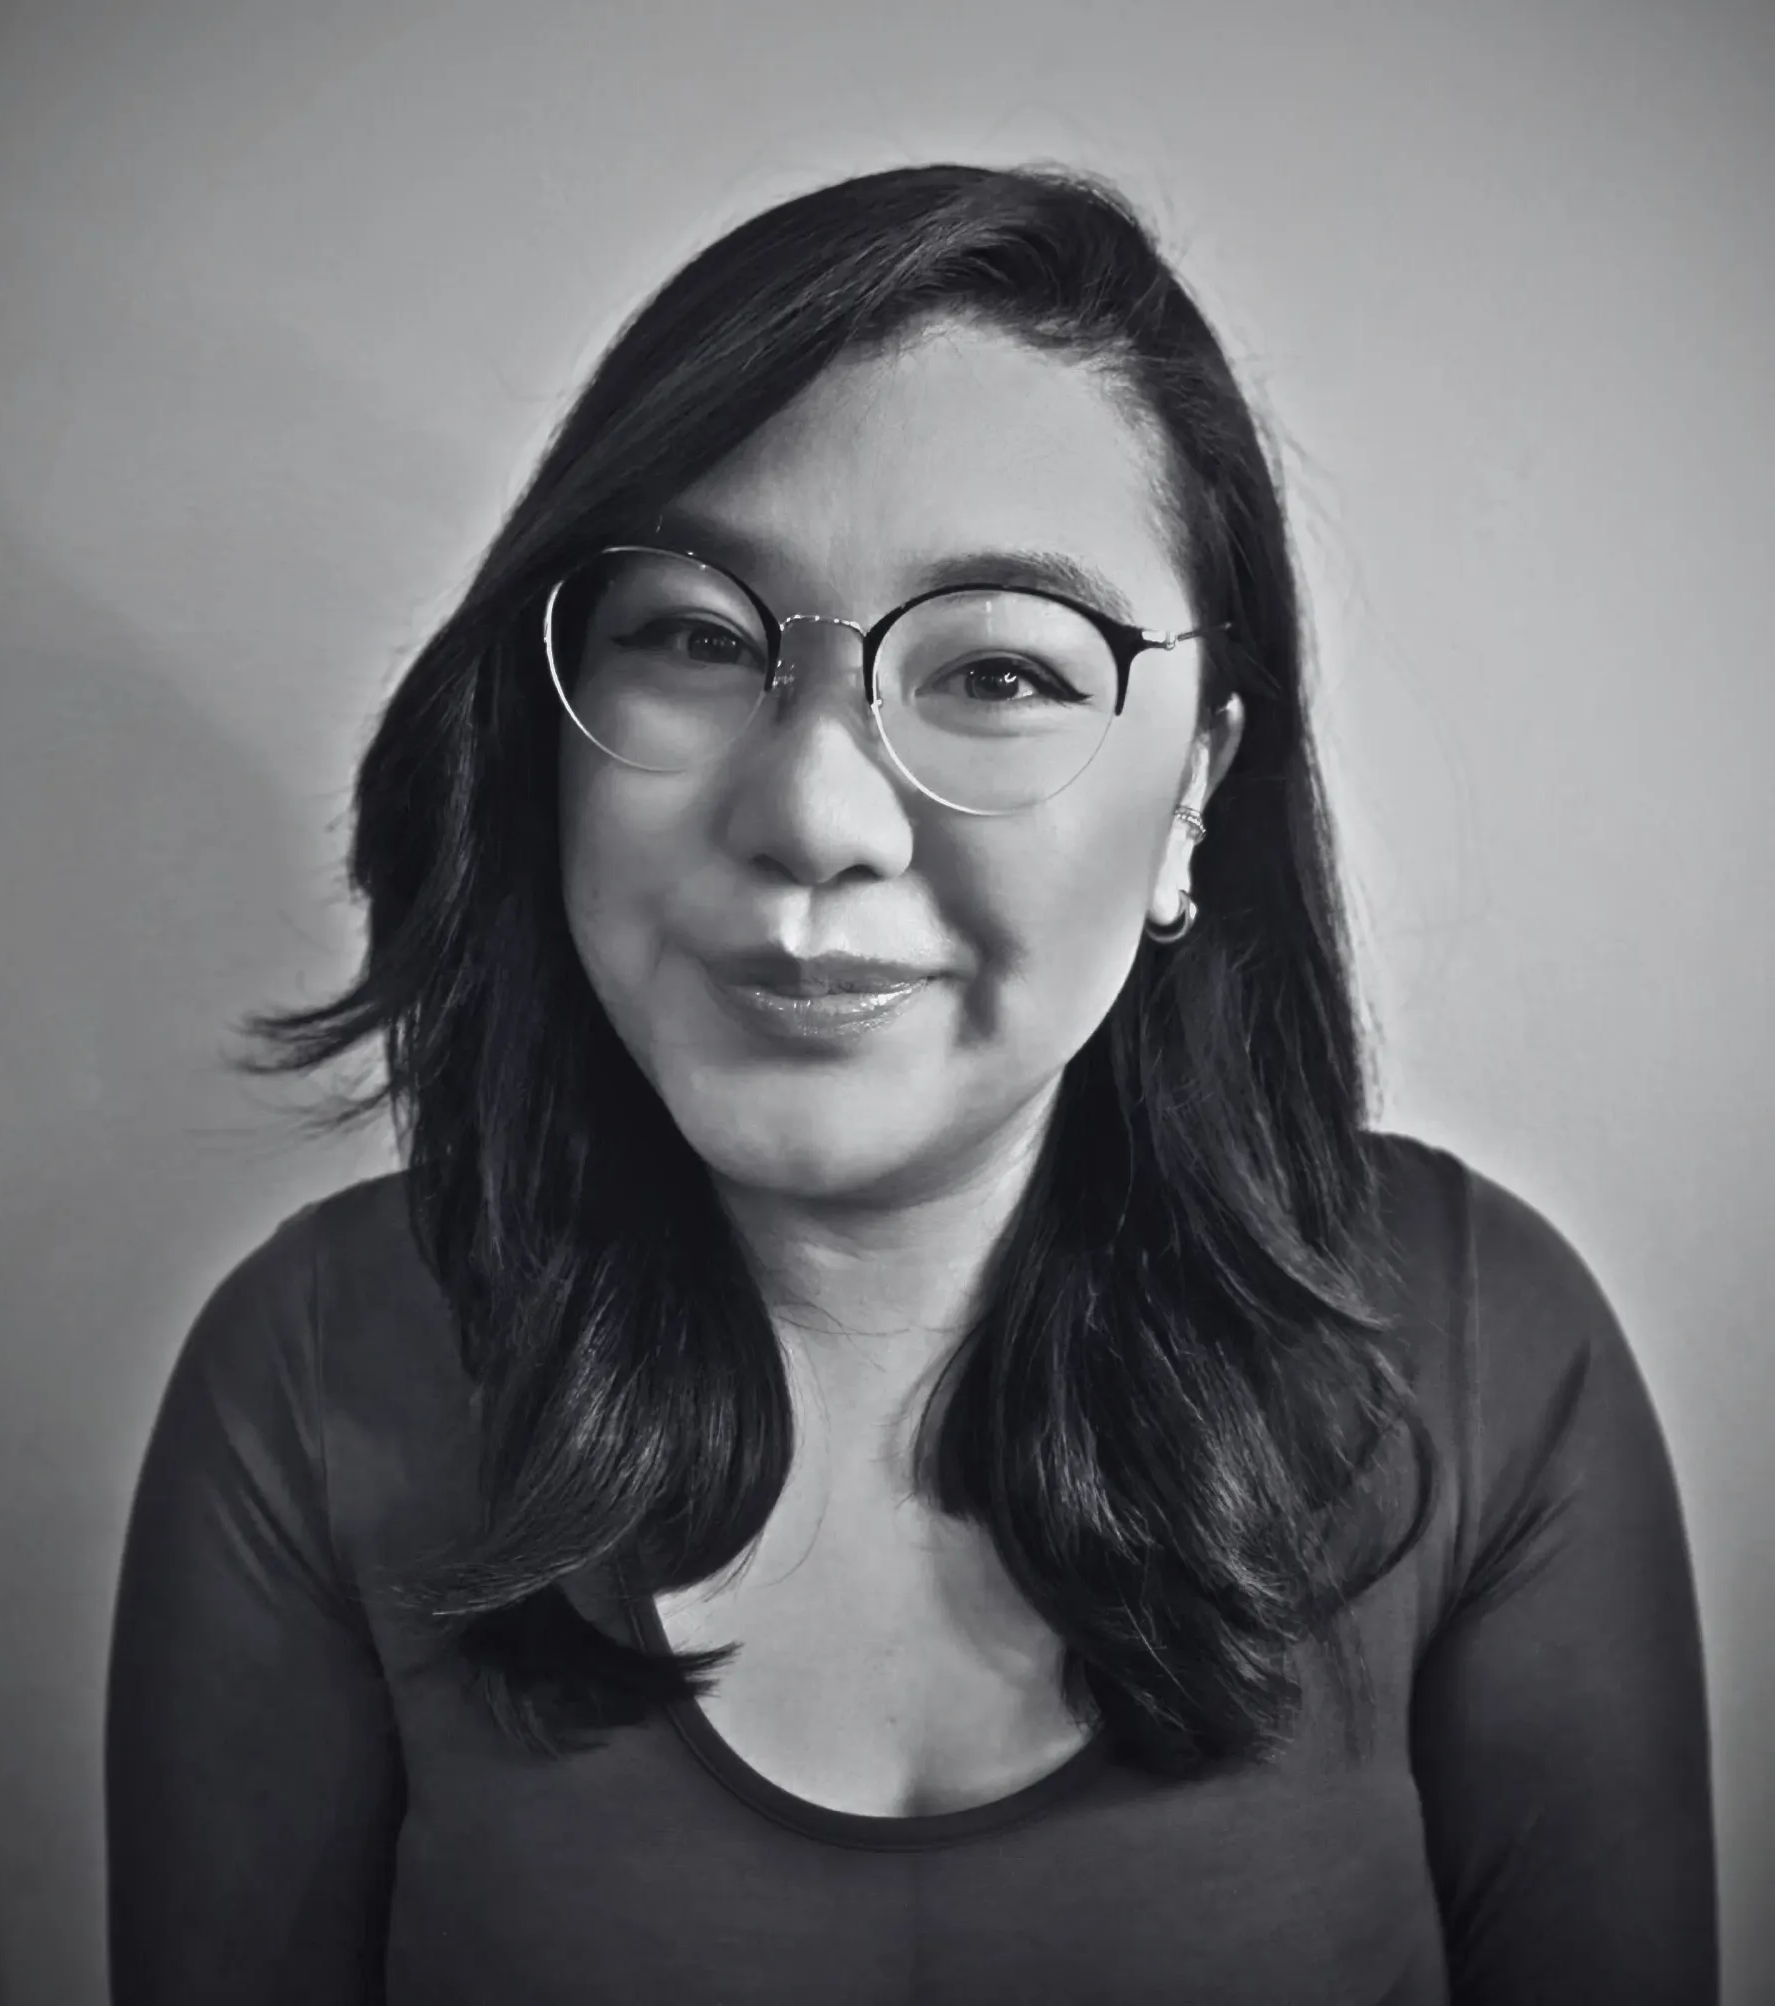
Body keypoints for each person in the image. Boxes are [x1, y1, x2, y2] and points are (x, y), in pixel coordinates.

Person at [103, 163, 1717, 2005]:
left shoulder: (1480, 1353)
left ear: (1196, 787)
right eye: (697, 636)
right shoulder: (319, 1377)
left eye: (1003, 671)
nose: (812, 808)